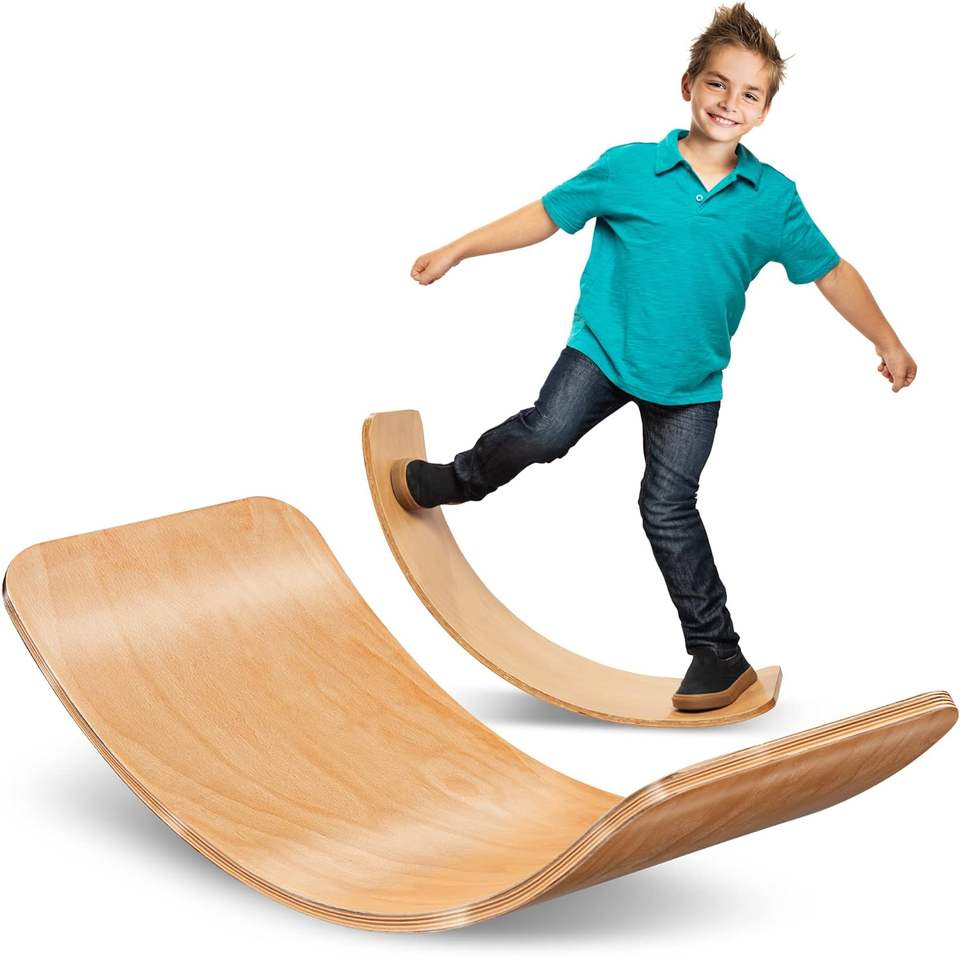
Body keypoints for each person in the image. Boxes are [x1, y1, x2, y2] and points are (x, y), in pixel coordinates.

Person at [390, 3, 917, 712]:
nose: (729, 103)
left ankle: (718, 654)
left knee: (667, 507)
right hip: (605, 350)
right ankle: (457, 480)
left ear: (764, 112)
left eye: (749, 94)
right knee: (546, 432)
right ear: (688, 85)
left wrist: (886, 339)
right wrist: (458, 249)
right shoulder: (630, 168)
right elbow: (545, 214)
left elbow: (832, 272)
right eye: (717, 84)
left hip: (690, 382)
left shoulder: (772, 201)